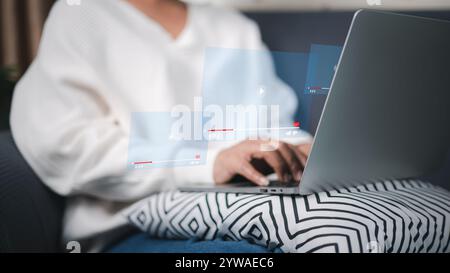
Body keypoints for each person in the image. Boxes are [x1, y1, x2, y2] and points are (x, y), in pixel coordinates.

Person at [10, 0, 312, 252]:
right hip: (131, 228)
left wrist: (301, 149)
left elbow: (273, 124)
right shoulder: (81, 13)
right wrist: (208, 165)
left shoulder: (233, 28)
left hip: (239, 213)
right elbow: (64, 143)